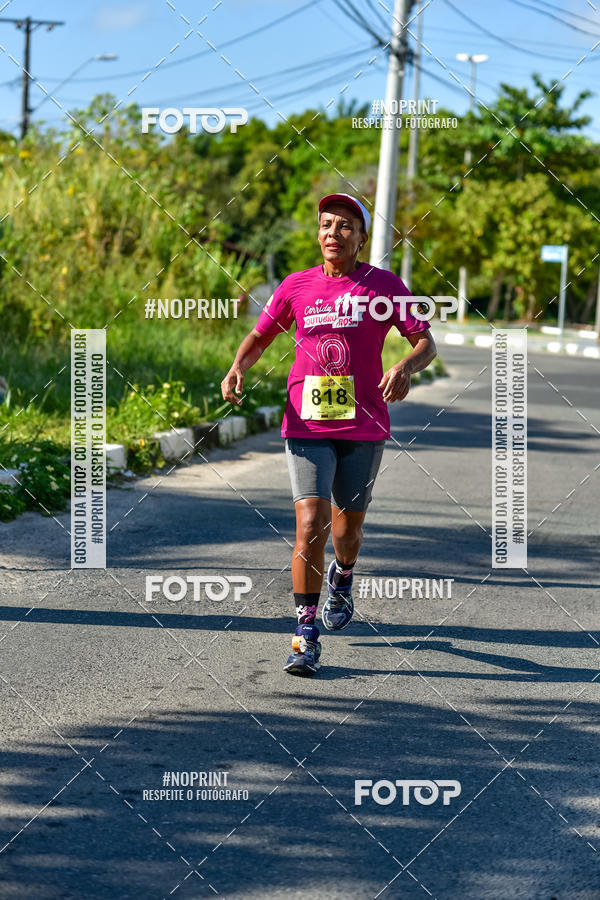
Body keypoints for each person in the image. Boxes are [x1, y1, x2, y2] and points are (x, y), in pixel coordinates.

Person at [221, 193, 437, 676]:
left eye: (344, 226)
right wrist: (238, 366)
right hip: (306, 421)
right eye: (325, 225)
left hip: (363, 426)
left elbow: (425, 341)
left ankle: (344, 574)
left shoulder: (384, 286)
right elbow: (260, 336)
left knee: (347, 532)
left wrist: (405, 365)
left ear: (361, 237)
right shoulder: (297, 286)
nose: (333, 233)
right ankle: (305, 631)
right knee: (309, 524)